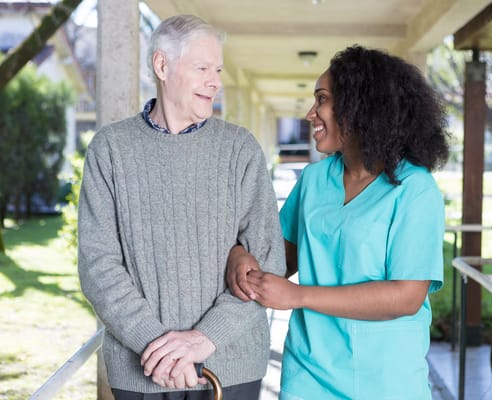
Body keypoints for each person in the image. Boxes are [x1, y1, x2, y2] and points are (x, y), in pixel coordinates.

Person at [77, 14, 285, 400]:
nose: (215, 81)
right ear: (162, 65)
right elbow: (97, 264)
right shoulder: (109, 150)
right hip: (140, 366)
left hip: (230, 365)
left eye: (218, 70)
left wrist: (205, 339)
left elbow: (268, 261)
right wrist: (158, 345)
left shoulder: (240, 149)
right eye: (203, 67)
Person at [227, 45, 450, 399]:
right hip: (308, 375)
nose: (310, 113)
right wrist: (239, 255)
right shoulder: (314, 181)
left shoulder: (415, 189)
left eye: (322, 100)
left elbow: (406, 296)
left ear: (361, 106)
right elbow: (278, 260)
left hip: (387, 381)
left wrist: (298, 296)